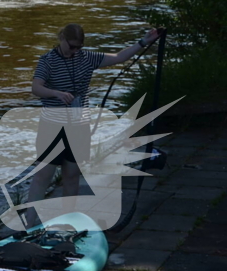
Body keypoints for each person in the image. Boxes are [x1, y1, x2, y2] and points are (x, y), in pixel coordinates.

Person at [26, 24, 161, 227]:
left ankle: (67, 222)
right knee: (42, 177)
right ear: (61, 39)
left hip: (79, 127)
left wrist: (144, 42)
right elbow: (36, 88)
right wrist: (56, 93)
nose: (75, 51)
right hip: (52, 126)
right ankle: (28, 225)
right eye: (71, 47)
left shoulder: (86, 58)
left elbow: (118, 57)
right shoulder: (48, 60)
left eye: (78, 47)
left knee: (71, 176)